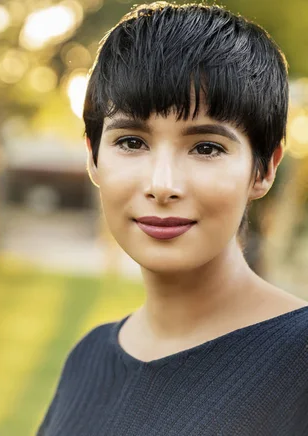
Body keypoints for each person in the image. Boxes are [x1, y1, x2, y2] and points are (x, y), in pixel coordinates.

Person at [36, 3, 308, 435]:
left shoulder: (299, 364)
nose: (162, 185)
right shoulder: (86, 361)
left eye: (206, 148)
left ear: (264, 169)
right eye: (130, 141)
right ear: (92, 157)